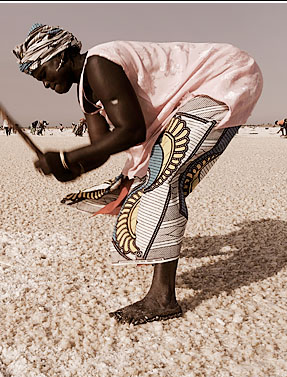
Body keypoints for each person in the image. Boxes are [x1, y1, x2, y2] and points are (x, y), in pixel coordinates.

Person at [13, 23, 263, 325]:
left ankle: (163, 299)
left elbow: (131, 131)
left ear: (59, 58)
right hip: (208, 86)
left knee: (162, 177)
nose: (44, 83)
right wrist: (68, 169)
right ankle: (160, 267)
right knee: (149, 179)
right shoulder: (87, 94)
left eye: (42, 74)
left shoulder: (99, 65)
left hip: (223, 75)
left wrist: (67, 157)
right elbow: (102, 149)